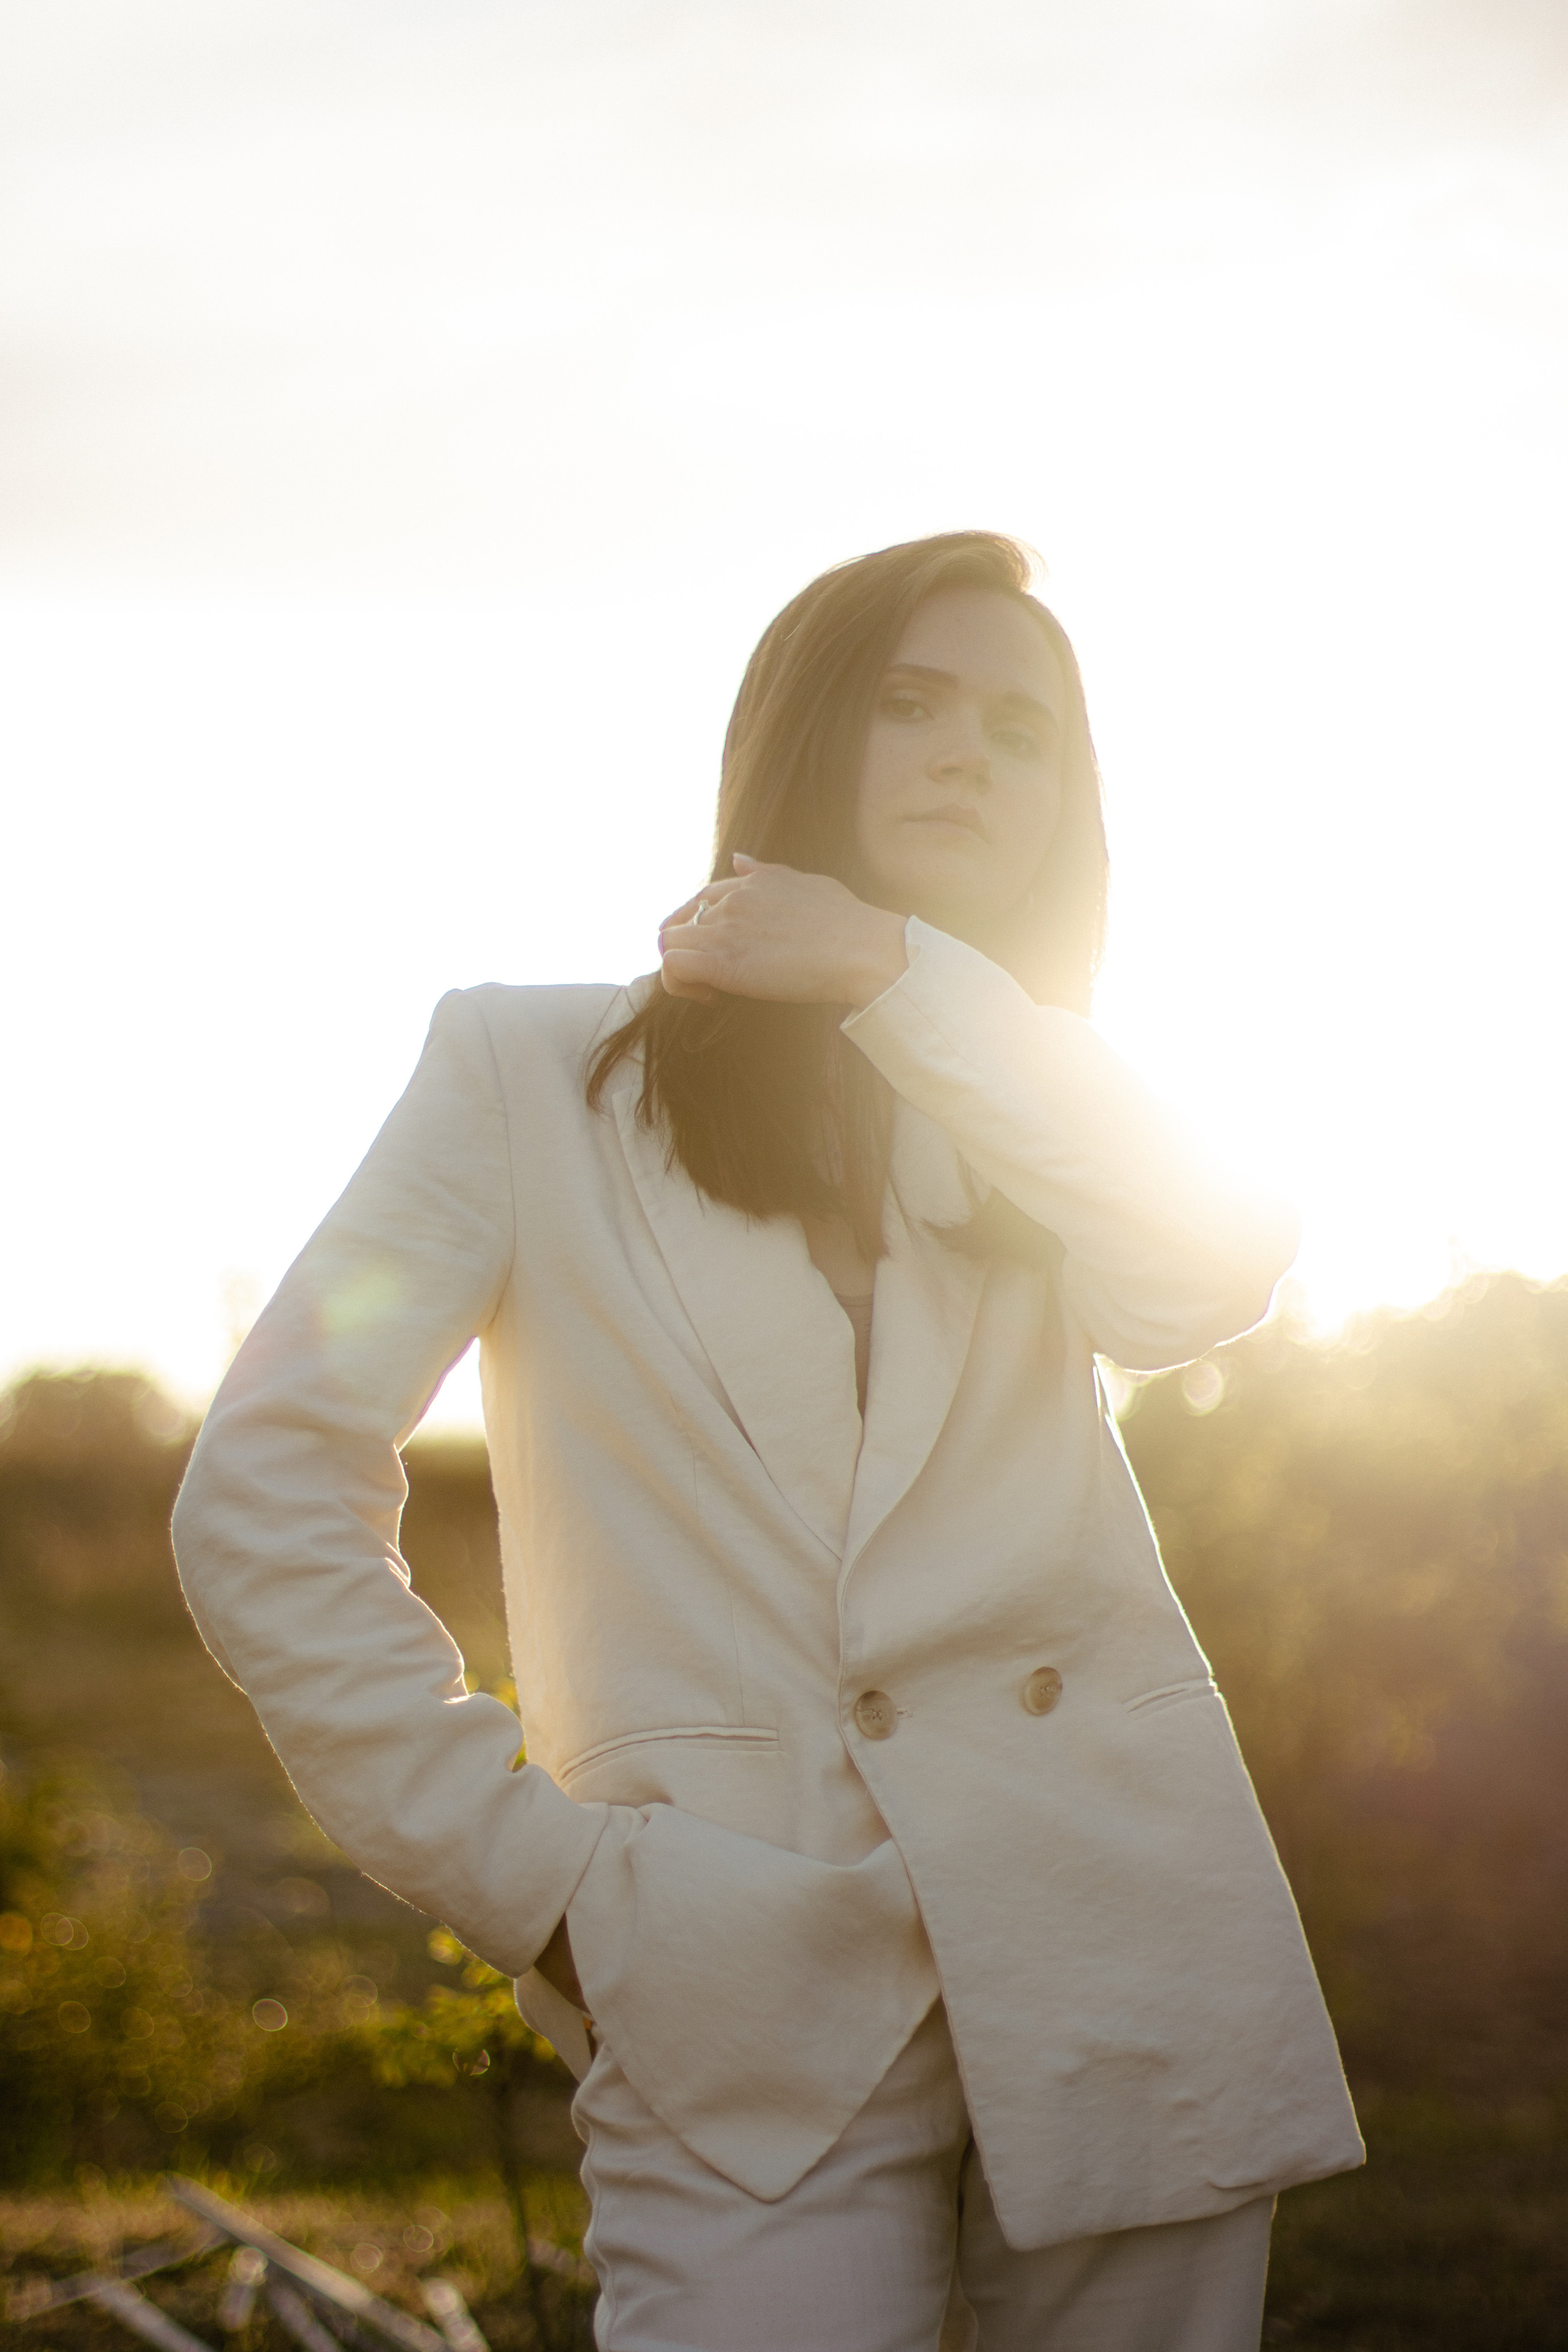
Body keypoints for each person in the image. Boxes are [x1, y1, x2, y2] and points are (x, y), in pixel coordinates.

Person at [172, 532, 1362, 2352]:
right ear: (809, 731)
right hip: (734, 1977)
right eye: (912, 704)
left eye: (1025, 729)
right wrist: (545, 1886)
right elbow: (264, 1492)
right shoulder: (527, 1077)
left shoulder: (1039, 1100)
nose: (973, 755)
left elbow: (1208, 1267)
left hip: (1123, 1953)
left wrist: (895, 970)